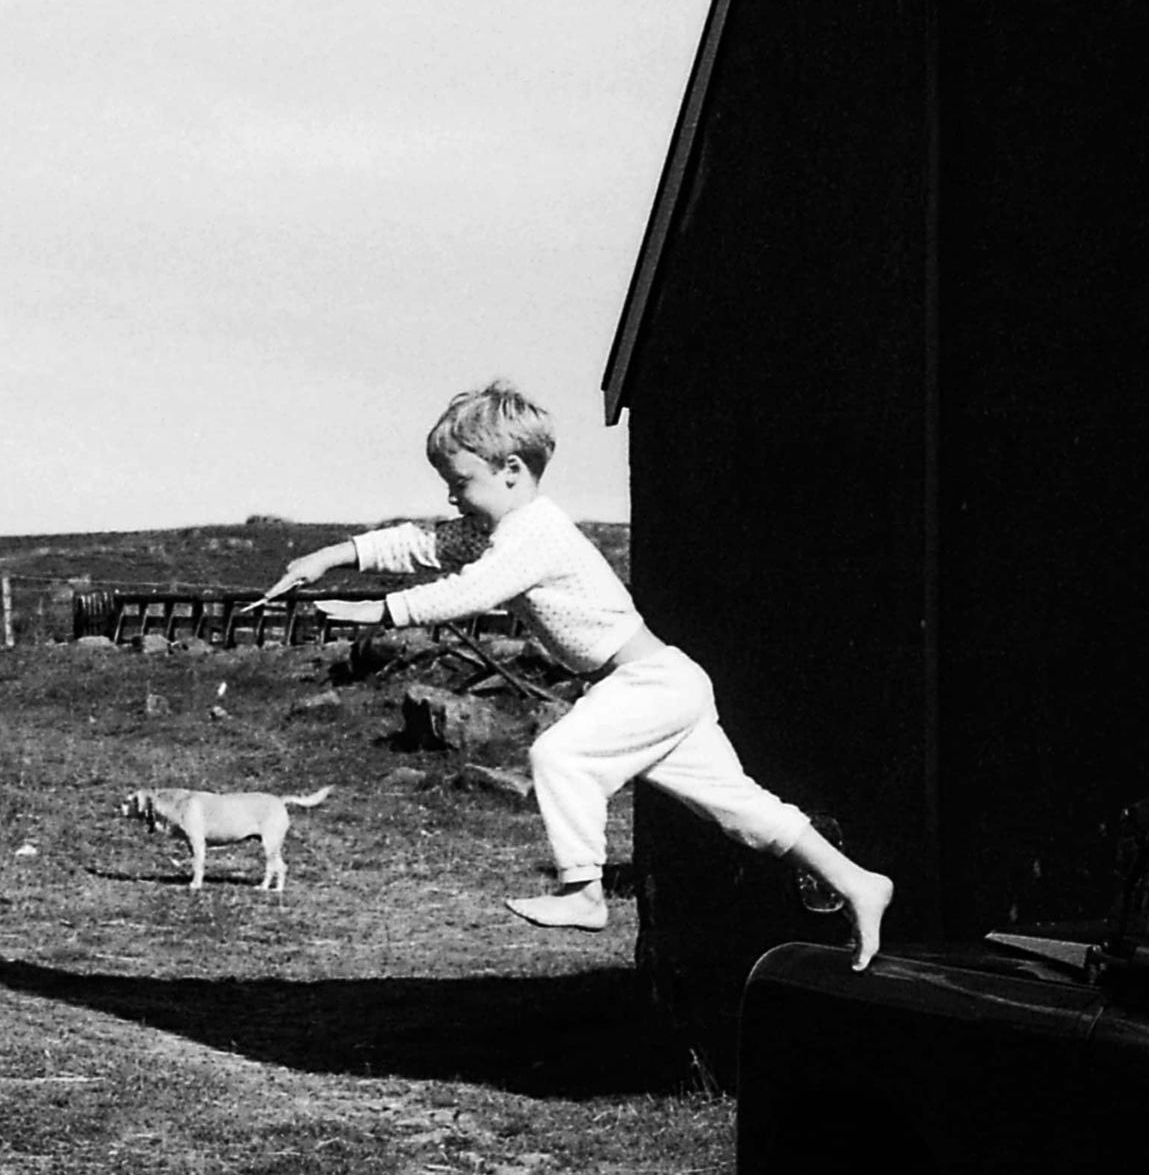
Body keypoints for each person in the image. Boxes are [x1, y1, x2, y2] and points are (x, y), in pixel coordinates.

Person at [262, 380, 894, 965]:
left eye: (460, 481)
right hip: (663, 683)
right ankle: (857, 882)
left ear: (511, 472)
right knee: (741, 812)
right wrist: (331, 556)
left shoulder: (535, 533)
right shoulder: (496, 529)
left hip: (650, 685)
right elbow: (421, 545)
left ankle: (583, 892)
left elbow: (470, 592)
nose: (451, 496)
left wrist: (380, 609)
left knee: (560, 755)